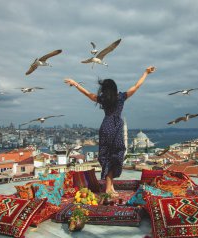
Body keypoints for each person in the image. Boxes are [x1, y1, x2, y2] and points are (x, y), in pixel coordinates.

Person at [64, 66, 156, 195]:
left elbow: (88, 94)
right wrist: (146, 73)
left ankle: (110, 186)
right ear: (114, 88)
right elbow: (136, 86)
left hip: (105, 126)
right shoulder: (121, 97)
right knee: (116, 155)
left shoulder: (104, 99)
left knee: (108, 156)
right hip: (116, 126)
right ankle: (108, 187)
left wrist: (75, 84)